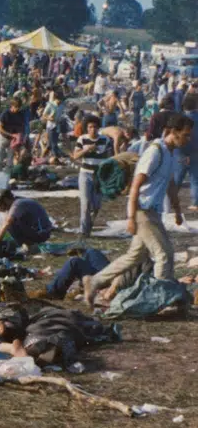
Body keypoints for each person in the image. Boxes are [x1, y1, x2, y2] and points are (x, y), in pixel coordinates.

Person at [85, 113, 193, 305]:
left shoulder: (170, 154)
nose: (188, 139)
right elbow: (136, 185)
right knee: (164, 254)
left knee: (135, 256)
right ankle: (161, 299)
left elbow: (170, 185)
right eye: (185, 134)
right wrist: (130, 217)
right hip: (143, 211)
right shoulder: (155, 152)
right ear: (173, 132)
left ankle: (94, 281)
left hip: (153, 212)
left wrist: (177, 212)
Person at [73, 115, 114, 237]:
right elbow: (75, 156)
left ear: (98, 127)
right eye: (90, 127)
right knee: (85, 203)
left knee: (96, 205)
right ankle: (84, 231)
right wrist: (87, 150)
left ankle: (89, 226)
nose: (93, 129)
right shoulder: (82, 139)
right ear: (87, 128)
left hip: (99, 176)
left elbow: (111, 157)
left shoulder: (105, 140)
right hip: (85, 174)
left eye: (95, 127)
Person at [0, 189, 53, 254]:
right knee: (10, 221)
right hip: (42, 231)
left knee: (10, 224)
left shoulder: (17, 204)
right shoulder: (18, 201)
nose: (0, 207)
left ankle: (30, 247)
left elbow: (7, 222)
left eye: (0, 204)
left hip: (42, 233)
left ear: (6, 200)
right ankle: (29, 245)